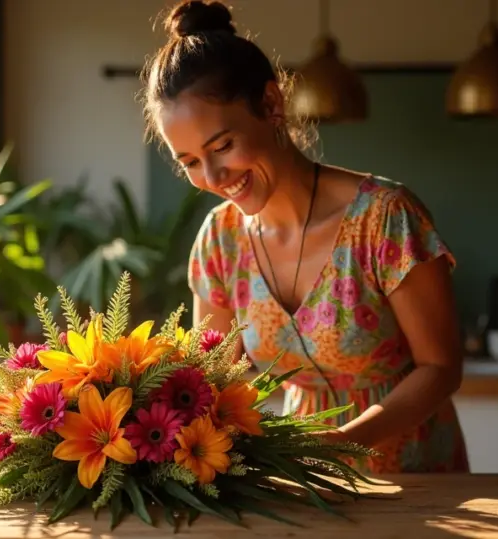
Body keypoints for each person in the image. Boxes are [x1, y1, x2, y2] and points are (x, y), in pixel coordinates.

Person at [141, 0, 469, 474]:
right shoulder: (220, 239)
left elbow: (441, 369)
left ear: (271, 105)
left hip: (413, 471)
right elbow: (214, 381)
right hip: (302, 481)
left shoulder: (385, 217)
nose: (212, 176)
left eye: (223, 146)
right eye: (189, 162)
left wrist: (342, 444)